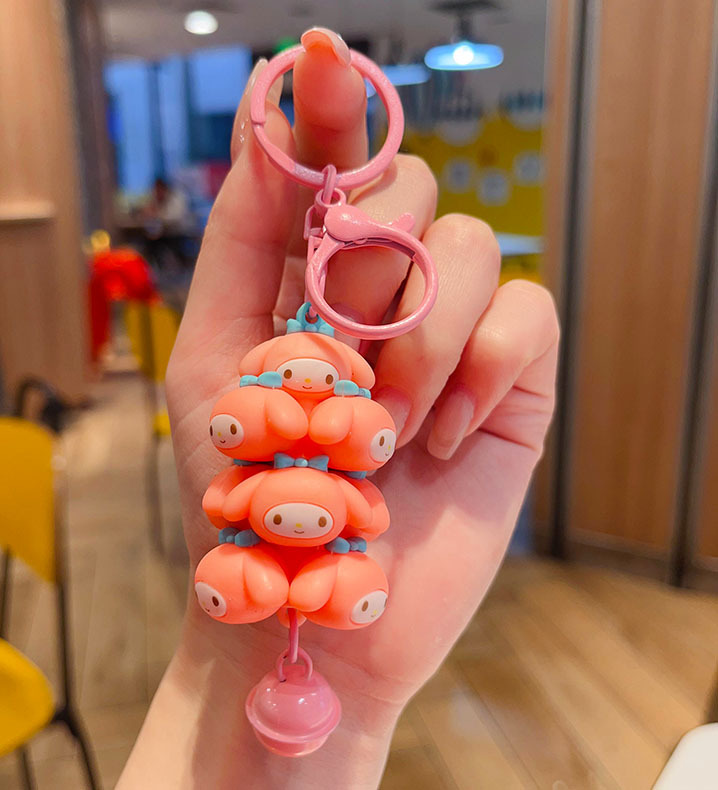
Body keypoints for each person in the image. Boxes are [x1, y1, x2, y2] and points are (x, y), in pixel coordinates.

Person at [118, 27, 558, 789]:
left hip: (318, 582)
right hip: (271, 580)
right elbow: (234, 495)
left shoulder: (341, 436)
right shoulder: (268, 433)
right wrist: (236, 658)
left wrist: (353, 700)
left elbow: (357, 508)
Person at [141, 177, 195, 269]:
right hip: (165, 233)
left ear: (164, 188)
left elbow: (175, 217)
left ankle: (176, 265)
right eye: (155, 190)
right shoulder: (156, 200)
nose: (157, 192)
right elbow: (149, 215)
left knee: (161, 241)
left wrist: (157, 214)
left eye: (159, 190)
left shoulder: (176, 198)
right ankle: (156, 266)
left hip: (180, 232)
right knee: (150, 240)